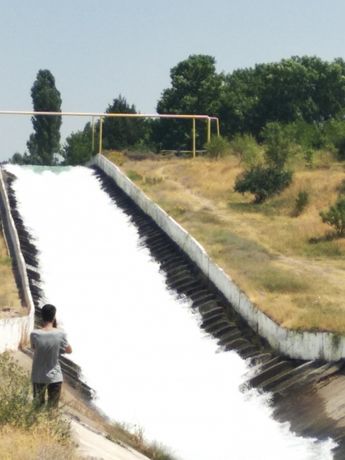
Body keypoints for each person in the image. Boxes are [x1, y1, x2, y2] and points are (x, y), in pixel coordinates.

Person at [30, 304, 72, 408]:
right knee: (52, 409)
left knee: (37, 408)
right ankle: (48, 424)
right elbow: (69, 350)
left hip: (38, 376)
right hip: (55, 377)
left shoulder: (34, 334)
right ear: (54, 317)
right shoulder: (61, 334)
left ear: (42, 316)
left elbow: (35, 348)